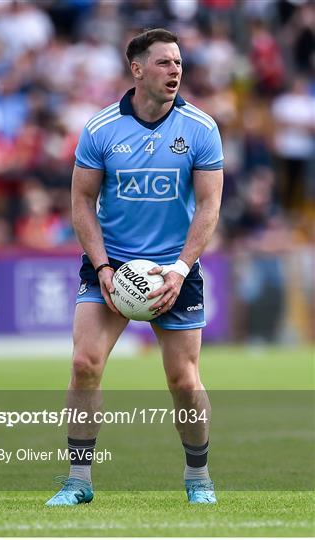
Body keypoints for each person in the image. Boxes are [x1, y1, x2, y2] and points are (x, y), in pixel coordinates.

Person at [46, 28, 223, 507]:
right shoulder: (101, 128)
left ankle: (198, 477)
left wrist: (182, 270)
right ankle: (78, 481)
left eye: (179, 63)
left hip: (174, 269)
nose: (176, 71)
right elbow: (81, 201)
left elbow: (209, 207)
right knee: (84, 365)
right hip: (113, 264)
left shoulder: (201, 128)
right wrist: (102, 267)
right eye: (165, 63)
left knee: (183, 381)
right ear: (138, 69)